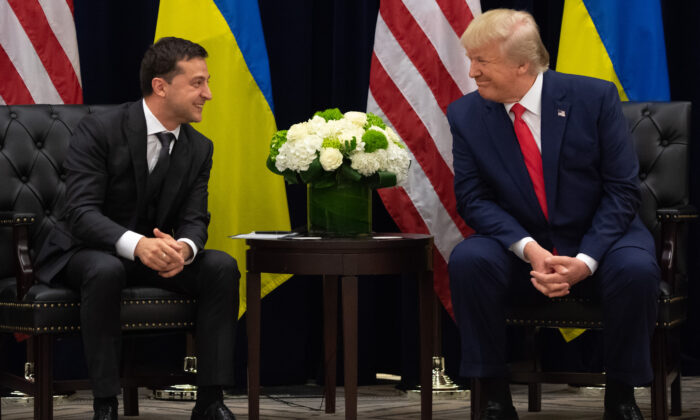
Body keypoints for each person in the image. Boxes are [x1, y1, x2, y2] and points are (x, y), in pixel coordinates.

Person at [447, 9, 659, 420]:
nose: (472, 72)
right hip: (522, 242)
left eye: (481, 61)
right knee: (469, 261)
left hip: (601, 237)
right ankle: (492, 396)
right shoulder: (467, 114)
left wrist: (585, 260)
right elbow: (473, 199)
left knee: (636, 268)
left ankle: (621, 393)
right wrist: (530, 249)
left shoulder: (594, 98)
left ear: (522, 63)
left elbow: (621, 190)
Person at [35, 37, 239, 420]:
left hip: (152, 253)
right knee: (106, 268)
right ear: (161, 86)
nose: (208, 94)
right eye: (197, 83)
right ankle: (105, 405)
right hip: (83, 249)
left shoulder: (200, 147)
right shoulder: (100, 130)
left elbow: (195, 218)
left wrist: (184, 248)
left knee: (220, 268)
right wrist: (137, 244)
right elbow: (80, 211)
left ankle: (211, 401)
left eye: (207, 82)